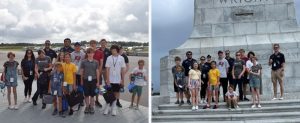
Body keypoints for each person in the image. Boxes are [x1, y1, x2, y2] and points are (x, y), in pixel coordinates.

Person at [104, 45, 126, 116]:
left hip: (118, 79)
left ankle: (114, 108)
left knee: (116, 93)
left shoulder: (121, 58)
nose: (112, 51)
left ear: (117, 50)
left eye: (114, 50)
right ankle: (107, 107)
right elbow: (107, 69)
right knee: (108, 93)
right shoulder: (109, 58)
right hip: (110, 79)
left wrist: (122, 80)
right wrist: (107, 79)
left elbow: (122, 70)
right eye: (111, 50)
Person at [80, 48, 100, 114]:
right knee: (86, 94)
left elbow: (97, 72)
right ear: (87, 54)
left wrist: (97, 81)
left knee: (92, 95)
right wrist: (81, 80)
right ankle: (87, 107)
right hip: (85, 80)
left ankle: (91, 107)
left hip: (93, 80)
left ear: (93, 54)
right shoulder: (83, 61)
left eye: (92, 53)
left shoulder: (96, 62)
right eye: (89, 53)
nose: (90, 54)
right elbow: (82, 71)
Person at [90, 40, 104, 108]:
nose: (93, 45)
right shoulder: (88, 52)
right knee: (90, 87)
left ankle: (97, 100)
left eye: (94, 44)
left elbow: (101, 63)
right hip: (90, 73)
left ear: (96, 44)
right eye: (91, 44)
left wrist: (100, 71)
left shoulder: (100, 52)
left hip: (98, 72)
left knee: (98, 86)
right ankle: (91, 101)